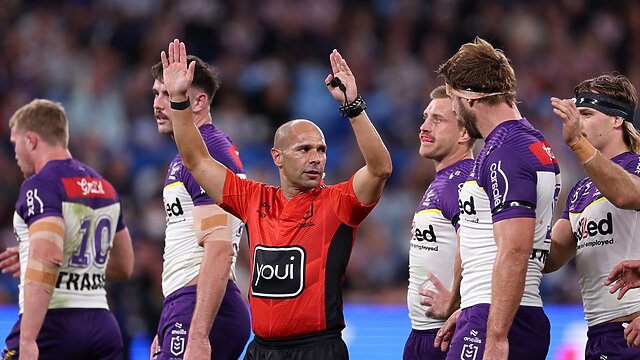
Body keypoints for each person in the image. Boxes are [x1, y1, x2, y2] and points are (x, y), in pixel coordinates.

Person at [161, 39, 392, 359]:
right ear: (277, 157)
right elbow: (196, 160)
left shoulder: (337, 203)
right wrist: (177, 99)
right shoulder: (254, 199)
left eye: (321, 150)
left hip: (317, 348)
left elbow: (380, 169)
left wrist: (353, 107)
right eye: (304, 149)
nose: (316, 158)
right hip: (262, 350)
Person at [434, 37, 561, 360]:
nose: (453, 110)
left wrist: (496, 335)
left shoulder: (506, 152)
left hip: (498, 320)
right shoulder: (528, 141)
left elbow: (515, 248)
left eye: (452, 98)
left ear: (470, 97)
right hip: (495, 310)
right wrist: (470, 306)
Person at [1, 99, 134, 359]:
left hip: (53, 324)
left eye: (15, 143)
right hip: (103, 326)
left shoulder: (40, 185)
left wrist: (28, 338)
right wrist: (33, 254)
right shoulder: (105, 187)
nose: (14, 153)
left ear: (31, 140)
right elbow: (124, 265)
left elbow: (49, 256)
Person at [149, 55, 250, 359]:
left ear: (199, 101)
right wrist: (166, 324)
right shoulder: (187, 157)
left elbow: (219, 249)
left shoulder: (209, 153)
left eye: (169, 94)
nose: (157, 103)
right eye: (157, 93)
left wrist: (196, 334)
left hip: (202, 308)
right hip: (186, 304)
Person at [547, 73, 640, 358]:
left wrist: (576, 142)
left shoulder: (636, 168)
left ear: (617, 120)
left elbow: (626, 195)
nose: (578, 122)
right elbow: (551, 257)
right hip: (599, 335)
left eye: (587, 114)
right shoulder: (580, 189)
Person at [403, 85, 480, 360]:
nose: (424, 127)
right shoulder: (444, 181)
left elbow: (480, 248)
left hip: (445, 335)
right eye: (425, 117)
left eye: (437, 120)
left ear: (463, 133)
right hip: (423, 333)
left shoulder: (462, 181)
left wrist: (458, 301)